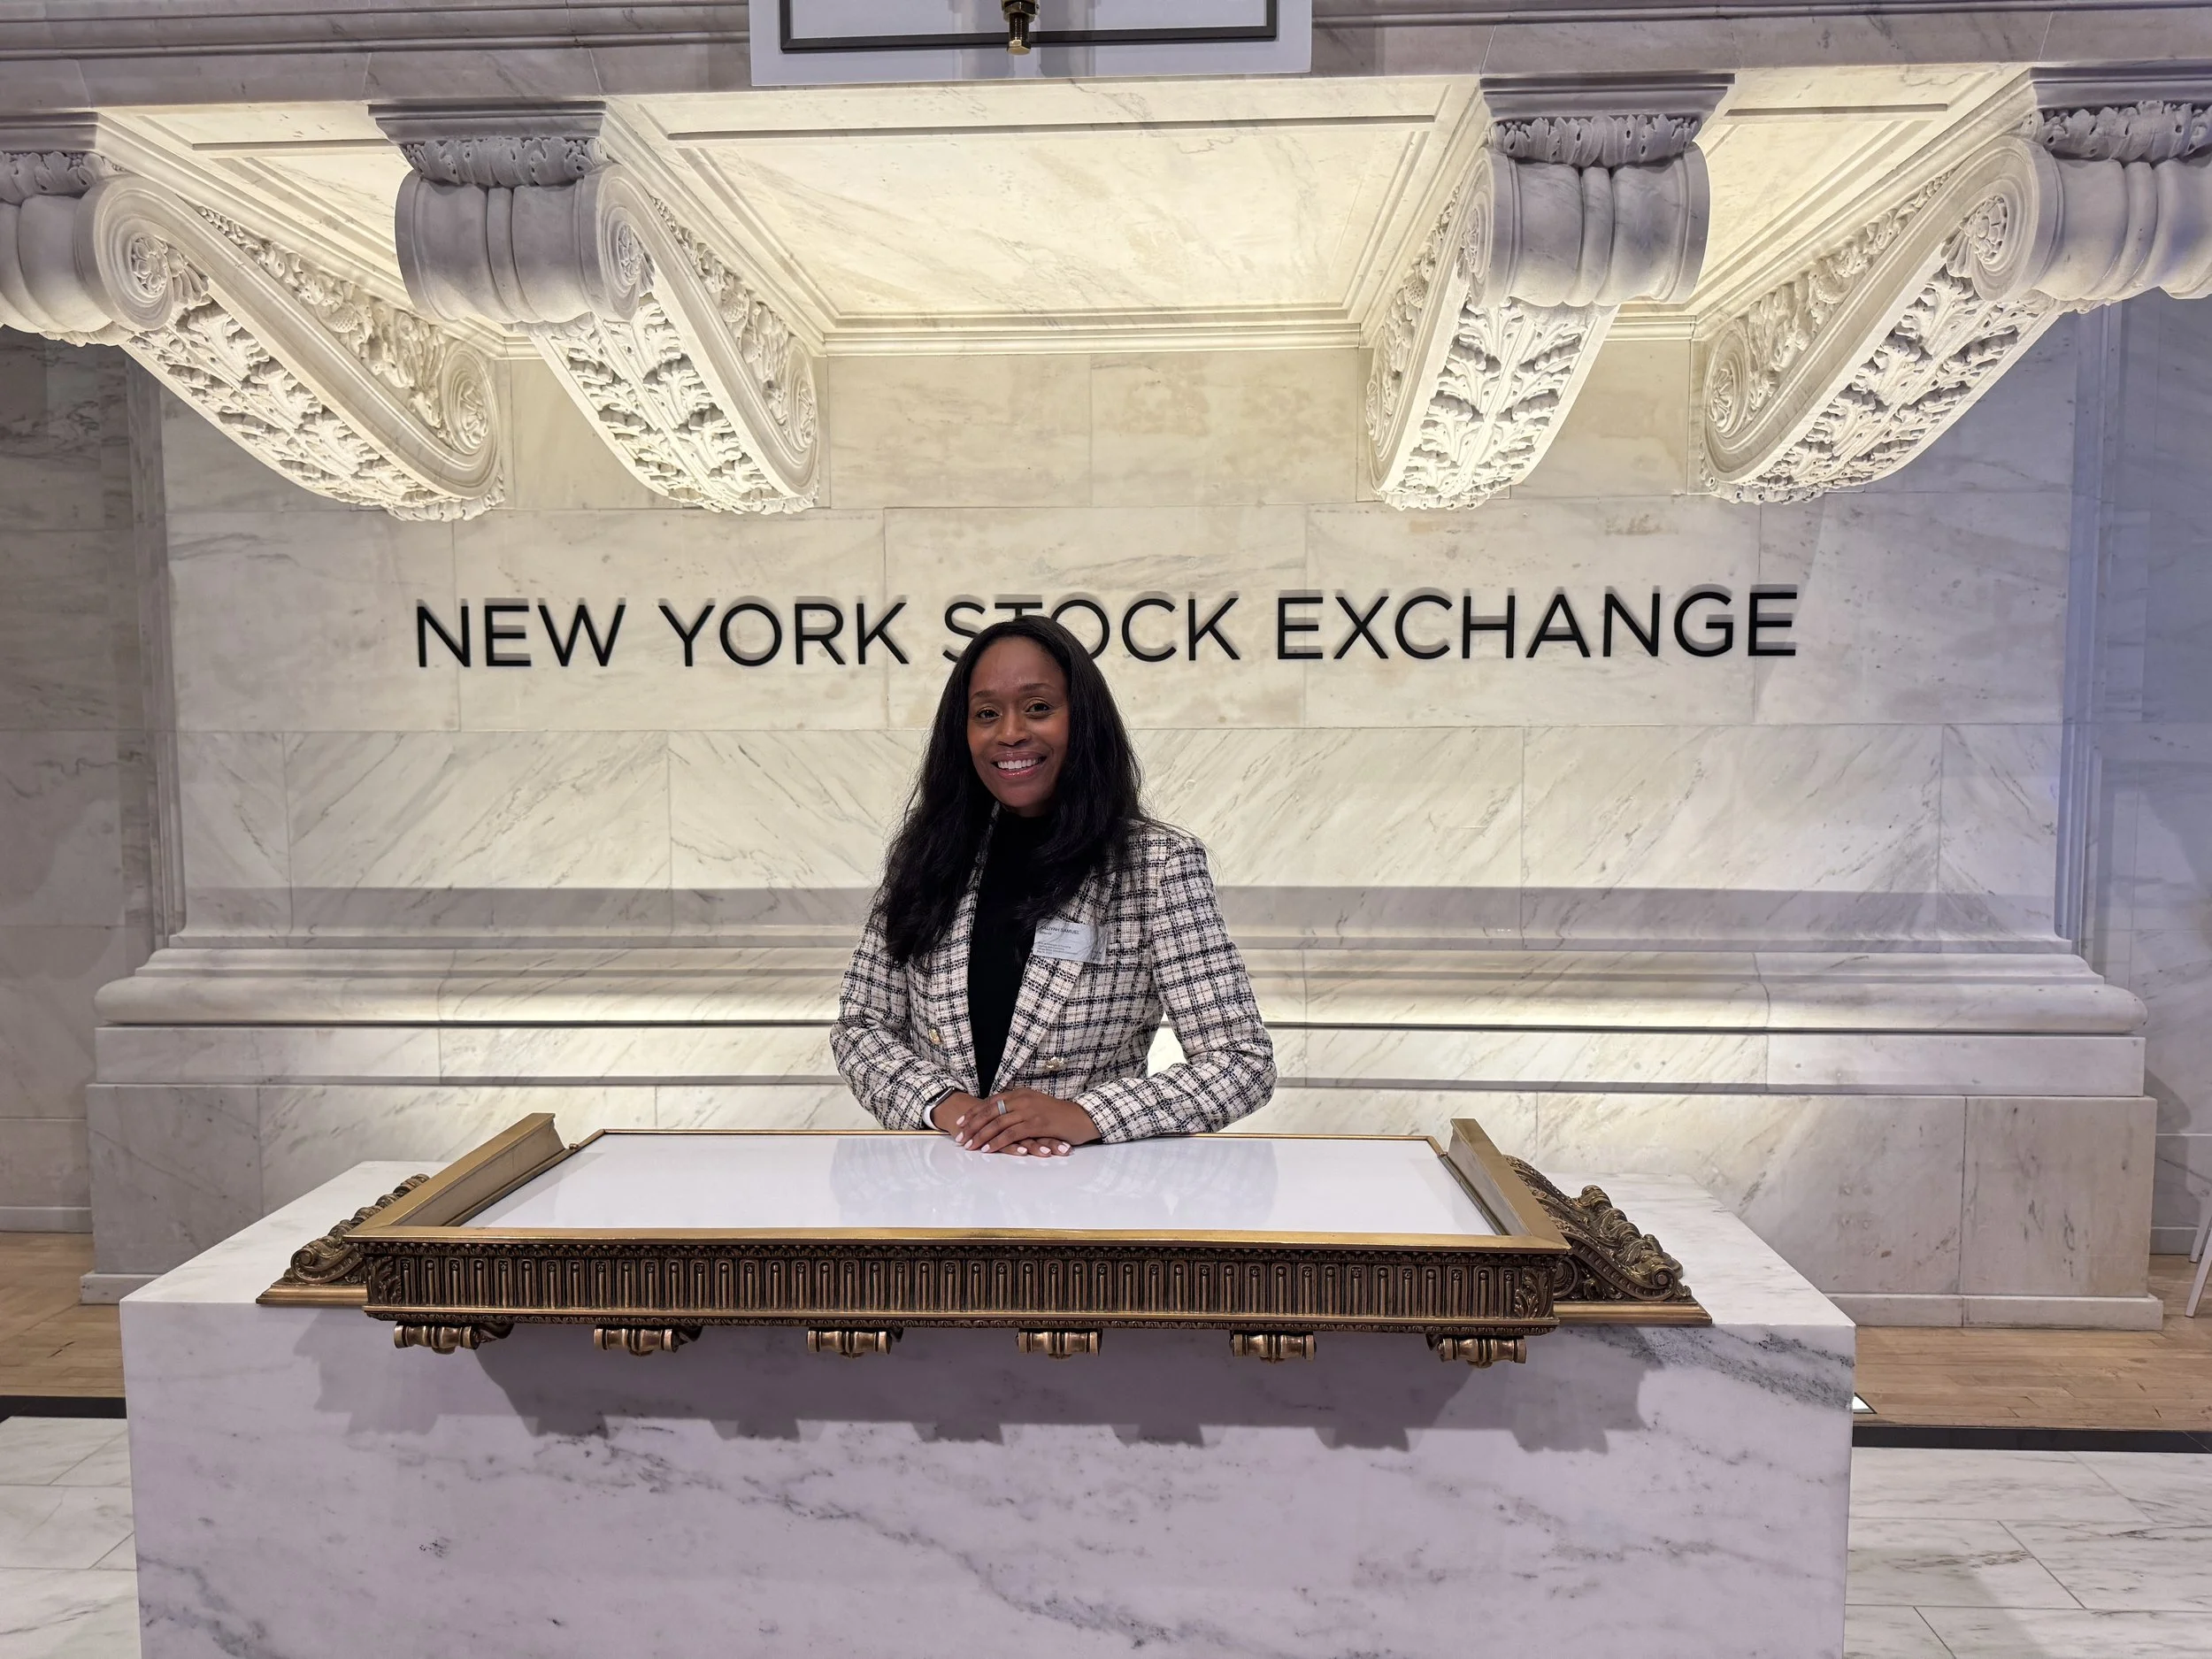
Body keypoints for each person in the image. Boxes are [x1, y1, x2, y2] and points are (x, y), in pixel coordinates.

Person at [833, 615, 1276, 1156]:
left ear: (1083, 721)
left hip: (1083, 1199)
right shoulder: (929, 856)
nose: (1011, 732)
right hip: (940, 1188)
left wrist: (1085, 1115)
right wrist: (947, 1107)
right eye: (987, 713)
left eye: (1038, 707)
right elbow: (861, 1026)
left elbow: (1240, 1063)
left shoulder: (1157, 866)